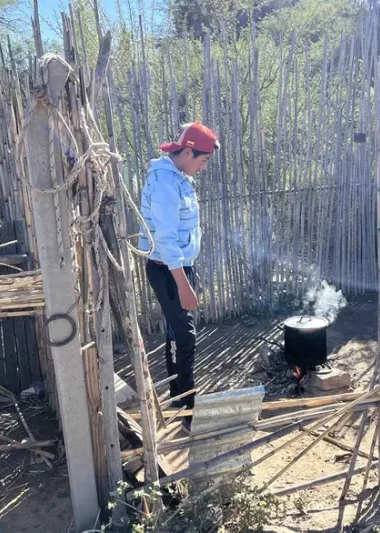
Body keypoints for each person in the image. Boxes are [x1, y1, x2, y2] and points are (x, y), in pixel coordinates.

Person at [138, 122, 219, 434]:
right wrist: (183, 285)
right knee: (184, 337)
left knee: (177, 333)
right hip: (167, 268)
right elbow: (166, 240)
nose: (203, 166)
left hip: (179, 267)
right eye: (203, 160)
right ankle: (189, 412)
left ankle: (177, 396)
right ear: (188, 151)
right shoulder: (163, 185)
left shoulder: (177, 176)